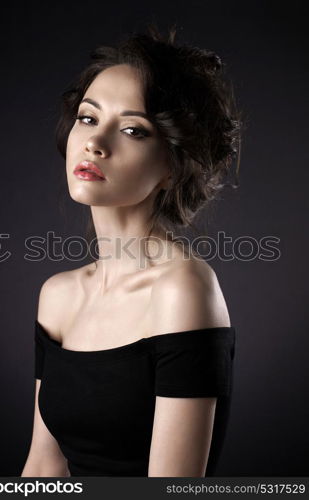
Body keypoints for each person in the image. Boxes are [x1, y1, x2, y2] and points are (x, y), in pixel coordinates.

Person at [21, 22, 241, 477]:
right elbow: (43, 468)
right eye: (88, 117)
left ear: (172, 165)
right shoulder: (57, 297)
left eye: (133, 130)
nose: (95, 143)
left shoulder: (183, 288)